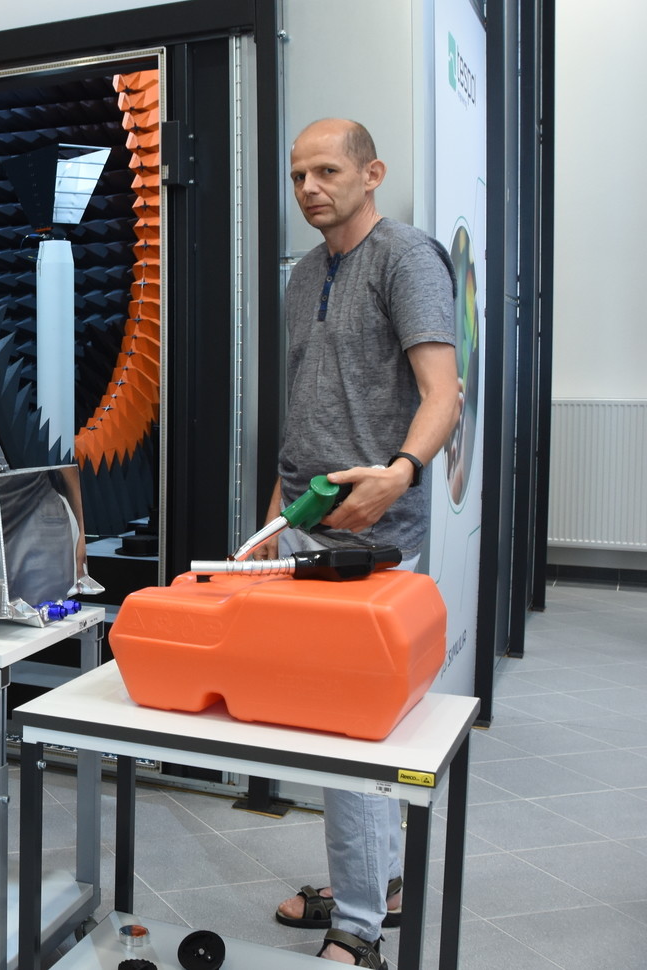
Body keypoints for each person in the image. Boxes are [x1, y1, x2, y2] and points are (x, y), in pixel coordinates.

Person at [260, 119, 459, 968]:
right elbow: (303, 408)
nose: (309, 187)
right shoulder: (304, 275)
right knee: (326, 726)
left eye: (327, 171)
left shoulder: (407, 259)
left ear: (371, 174)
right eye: (298, 175)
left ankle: (358, 930)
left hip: (375, 539)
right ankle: (375, 882)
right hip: (303, 527)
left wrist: (401, 472)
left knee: (354, 730)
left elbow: (444, 393)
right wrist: (274, 519)